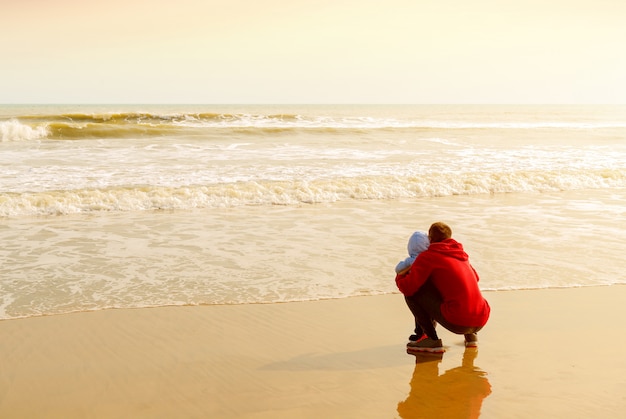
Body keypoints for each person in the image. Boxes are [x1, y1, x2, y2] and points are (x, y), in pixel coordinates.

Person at [395, 222, 490, 353]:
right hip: (482, 318)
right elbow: (476, 278)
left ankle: (431, 339)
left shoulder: (428, 256)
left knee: (412, 293)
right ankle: (471, 337)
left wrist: (400, 276)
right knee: (453, 289)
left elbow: (407, 288)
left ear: (430, 239)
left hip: (458, 321)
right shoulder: (461, 255)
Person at [394, 231, 430, 341]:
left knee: (418, 313)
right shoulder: (428, 259)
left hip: (415, 290)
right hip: (428, 290)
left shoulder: (410, 260)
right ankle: (425, 333)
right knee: (428, 313)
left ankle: (421, 333)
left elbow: (398, 269)